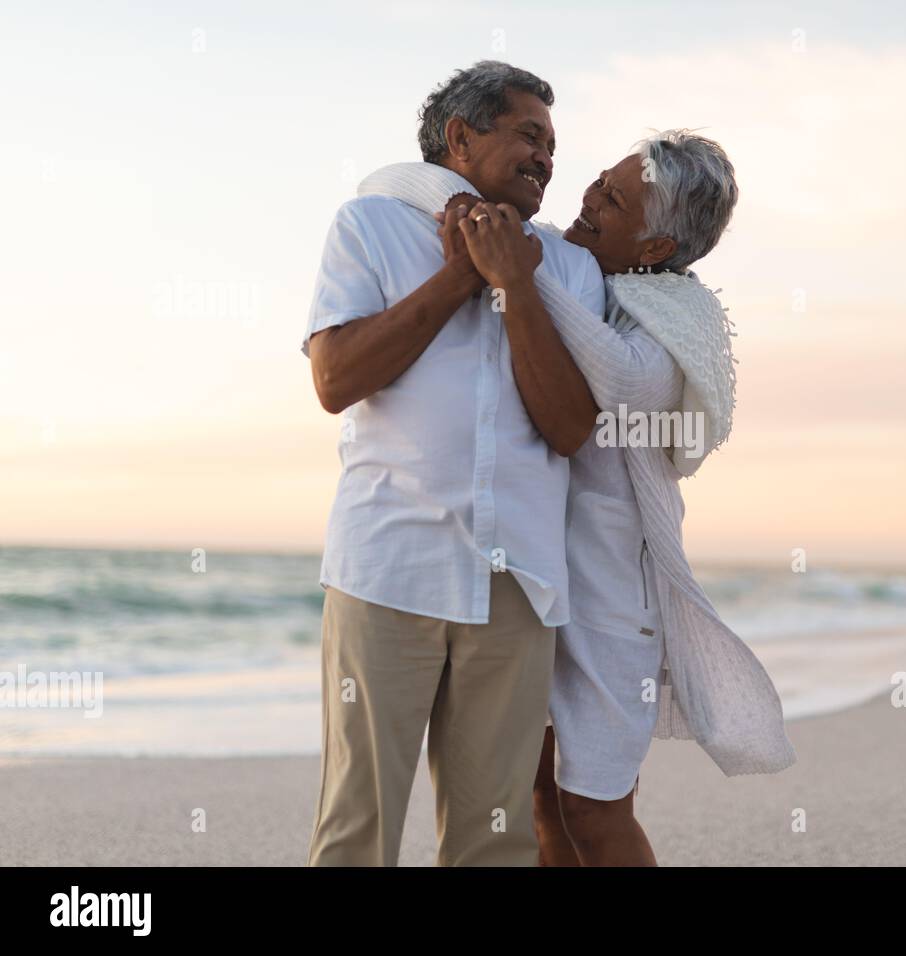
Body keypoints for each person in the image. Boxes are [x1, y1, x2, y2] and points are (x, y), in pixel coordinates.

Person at [359, 130, 797, 867]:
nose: (589, 197)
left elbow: (622, 382)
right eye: (599, 180)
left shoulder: (671, 319)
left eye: (616, 199)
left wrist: (516, 278)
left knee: (594, 809)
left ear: (656, 248)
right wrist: (460, 217)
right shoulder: (576, 276)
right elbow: (408, 189)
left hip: (612, 610)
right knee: (536, 800)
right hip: (534, 590)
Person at [303, 61, 603, 867]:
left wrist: (512, 285)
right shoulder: (369, 225)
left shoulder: (568, 268)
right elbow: (335, 380)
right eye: (528, 136)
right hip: (387, 566)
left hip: (518, 583)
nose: (545, 158)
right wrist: (458, 275)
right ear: (460, 139)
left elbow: (571, 427)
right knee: (356, 826)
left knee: (494, 840)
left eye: (551, 146)